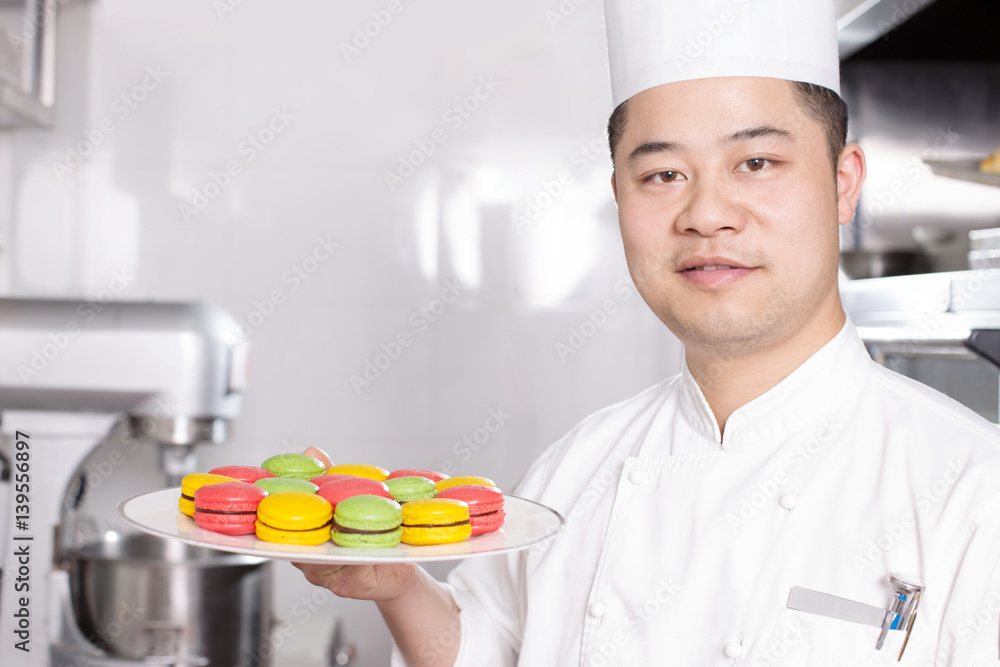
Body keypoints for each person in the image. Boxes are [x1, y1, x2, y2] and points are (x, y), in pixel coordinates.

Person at [296, 0, 1000, 664]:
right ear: (618, 198)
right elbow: (490, 647)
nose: (706, 214)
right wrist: (397, 584)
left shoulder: (971, 492)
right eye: (663, 173)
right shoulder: (573, 473)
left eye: (756, 163)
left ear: (844, 182)